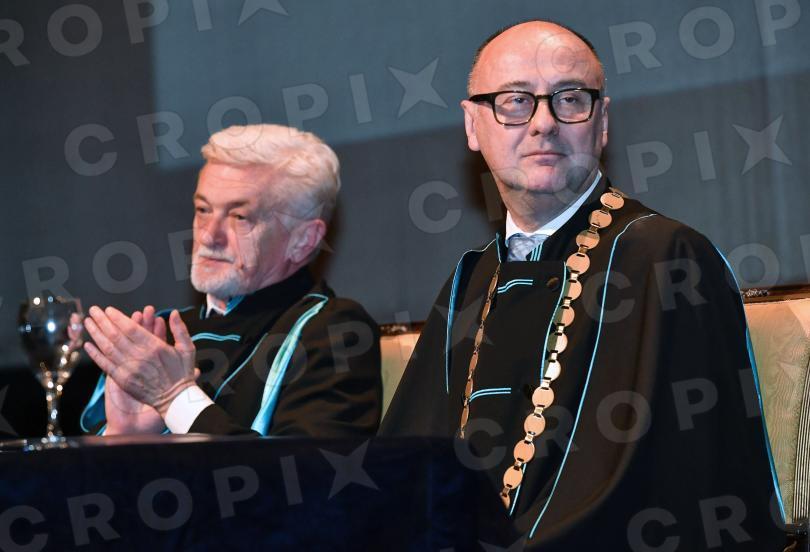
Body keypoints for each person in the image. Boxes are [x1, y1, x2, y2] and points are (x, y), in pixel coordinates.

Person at [379, 20, 787, 550]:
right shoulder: (468, 280)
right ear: (473, 126)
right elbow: (403, 473)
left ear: (602, 122)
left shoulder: (666, 258)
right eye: (514, 101)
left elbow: (680, 486)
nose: (543, 123)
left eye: (569, 99)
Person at [82, 124, 381, 437]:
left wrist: (174, 399)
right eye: (203, 209)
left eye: (240, 217)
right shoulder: (160, 337)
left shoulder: (334, 332)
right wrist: (125, 434)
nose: (209, 236)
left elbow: (302, 465)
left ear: (303, 240)